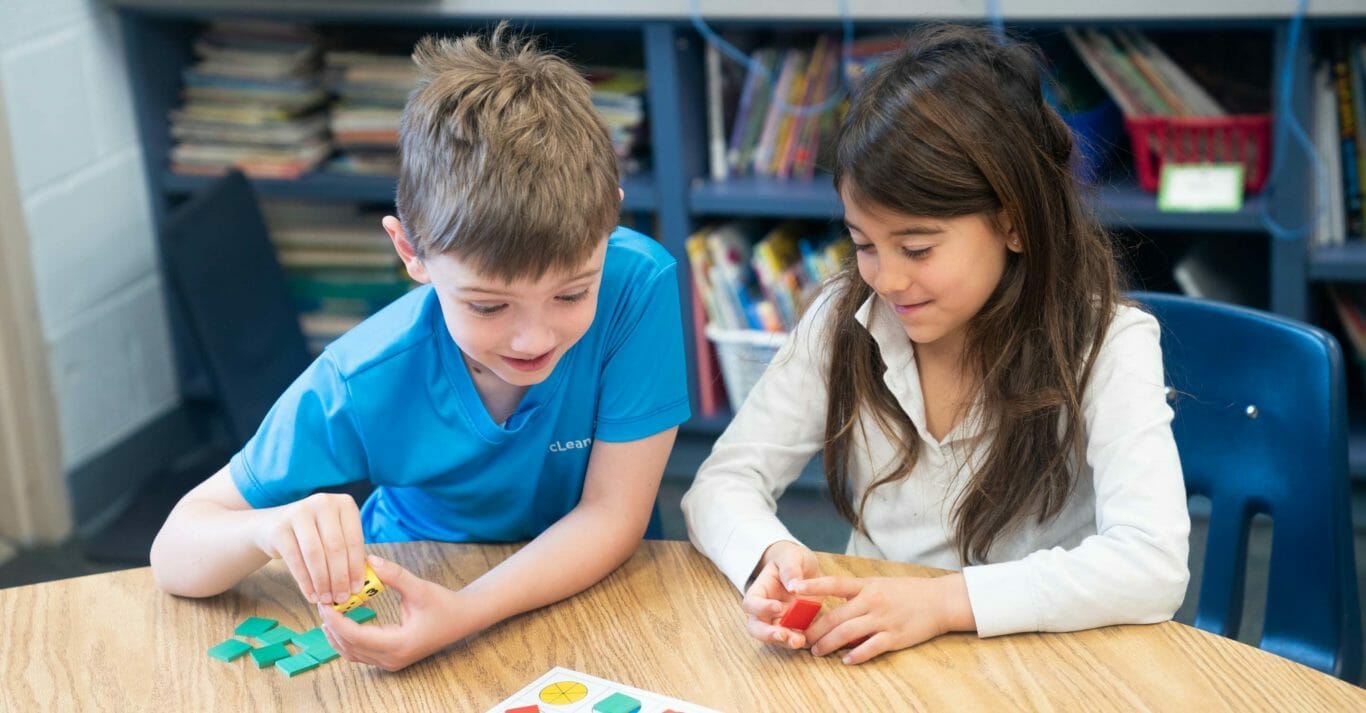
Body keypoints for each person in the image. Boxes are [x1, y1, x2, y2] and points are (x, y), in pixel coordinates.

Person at [150, 24, 690, 671]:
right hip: (418, 592)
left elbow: (612, 514)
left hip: (588, 597)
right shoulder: (365, 376)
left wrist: (465, 613)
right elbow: (175, 551)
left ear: (610, 225)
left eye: (572, 294)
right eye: (488, 304)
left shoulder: (639, 284)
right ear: (411, 251)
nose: (535, 337)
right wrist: (265, 528)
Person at [682, 24, 1190, 666]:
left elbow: (1152, 564)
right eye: (864, 244)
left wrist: (944, 603)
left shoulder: (1108, 345)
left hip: (1045, 664)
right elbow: (720, 485)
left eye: (917, 248)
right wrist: (766, 556)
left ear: (1012, 222)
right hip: (878, 663)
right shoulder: (845, 322)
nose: (887, 279)